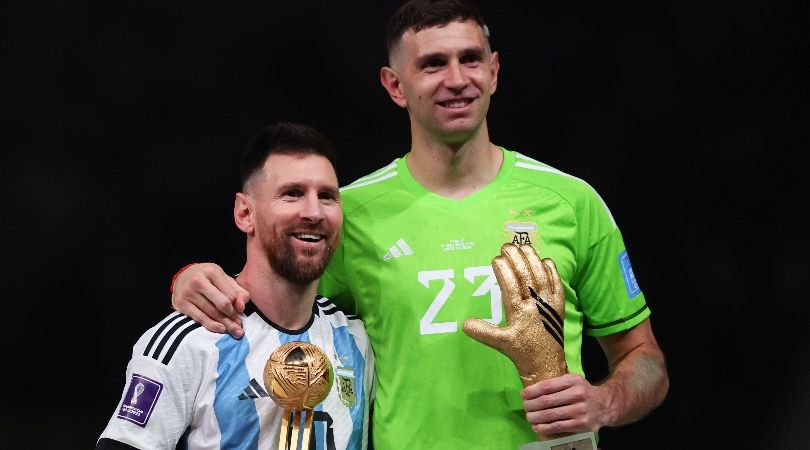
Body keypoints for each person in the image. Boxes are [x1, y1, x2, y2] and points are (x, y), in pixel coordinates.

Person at [171, 1, 669, 448]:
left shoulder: (571, 202)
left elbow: (644, 359)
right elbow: (262, 303)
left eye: (470, 59)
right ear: (395, 85)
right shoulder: (350, 212)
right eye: (433, 64)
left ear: (494, 72)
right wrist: (189, 278)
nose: (456, 79)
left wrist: (604, 403)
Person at [98, 123, 374, 450]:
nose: (313, 212)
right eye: (292, 194)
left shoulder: (357, 340)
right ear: (245, 213)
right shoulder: (188, 341)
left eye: (326, 196)